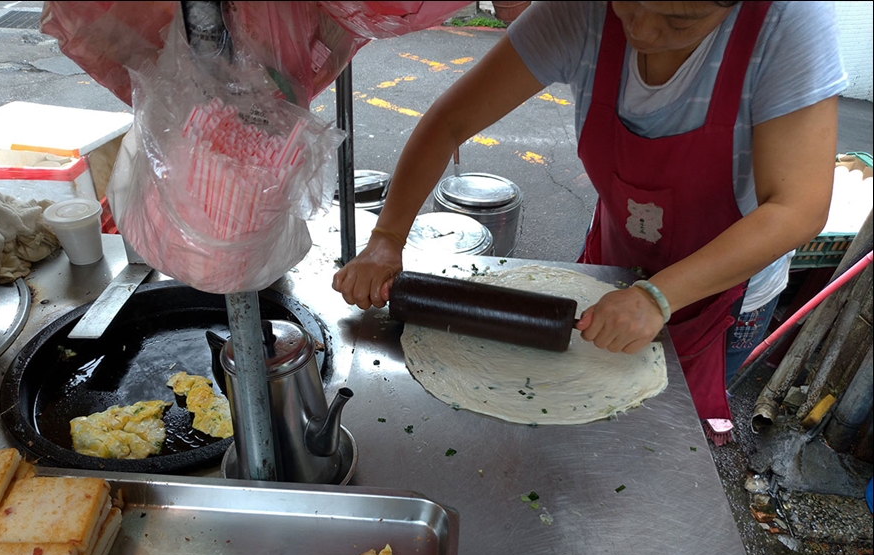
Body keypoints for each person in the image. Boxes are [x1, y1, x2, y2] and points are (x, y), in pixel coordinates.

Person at [332, 1, 847, 438]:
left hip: (725, 299)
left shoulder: (787, 25)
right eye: (627, 1)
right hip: (613, 270)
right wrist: (386, 237)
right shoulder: (581, 10)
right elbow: (451, 121)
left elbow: (796, 208)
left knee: (663, 445)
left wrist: (657, 296)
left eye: (680, 19)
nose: (642, 31)